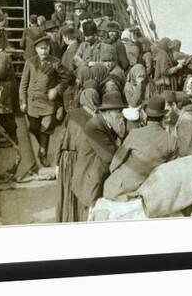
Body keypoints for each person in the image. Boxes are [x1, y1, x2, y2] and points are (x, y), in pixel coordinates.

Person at [103, 95, 180, 201]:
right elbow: (170, 170)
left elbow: (115, 162)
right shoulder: (171, 141)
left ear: (146, 116)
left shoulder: (135, 134)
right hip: (145, 191)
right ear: (163, 118)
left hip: (117, 188)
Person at [19, 33, 72, 167]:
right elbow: (23, 84)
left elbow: (67, 78)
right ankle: (42, 146)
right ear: (36, 49)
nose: (44, 51)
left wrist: (57, 89)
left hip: (48, 103)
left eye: (46, 48)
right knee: (33, 128)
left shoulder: (55, 62)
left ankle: (43, 153)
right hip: (32, 102)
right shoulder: (30, 62)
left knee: (46, 129)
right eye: (41, 48)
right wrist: (23, 101)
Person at [71, 91, 127, 218]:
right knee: (92, 217)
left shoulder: (105, 123)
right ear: (108, 113)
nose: (121, 116)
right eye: (118, 112)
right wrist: (120, 135)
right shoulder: (94, 127)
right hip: (90, 181)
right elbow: (110, 157)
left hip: (96, 177)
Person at [56, 87, 100, 223]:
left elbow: (61, 137)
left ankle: (66, 220)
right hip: (81, 161)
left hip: (65, 159)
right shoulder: (95, 120)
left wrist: (57, 162)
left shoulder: (71, 113)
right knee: (79, 193)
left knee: (66, 192)